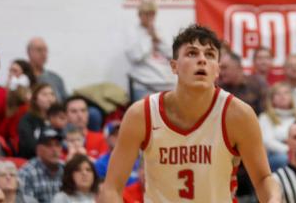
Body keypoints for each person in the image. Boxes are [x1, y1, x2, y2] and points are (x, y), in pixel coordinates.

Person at [99, 25, 280, 203]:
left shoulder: (238, 115)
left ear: (217, 69)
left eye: (209, 55)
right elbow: (111, 188)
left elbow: (263, 178)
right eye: (192, 53)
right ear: (174, 66)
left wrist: (273, 198)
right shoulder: (142, 114)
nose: (202, 60)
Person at [123, 1, 174, 100]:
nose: (150, 17)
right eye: (146, 14)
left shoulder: (161, 30)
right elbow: (135, 56)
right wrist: (148, 37)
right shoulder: (132, 32)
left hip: (167, 85)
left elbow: (173, 54)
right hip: (144, 86)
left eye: (152, 14)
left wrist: (158, 39)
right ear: (139, 15)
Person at [17, 128, 64, 203]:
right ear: (38, 150)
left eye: (57, 145)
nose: (54, 150)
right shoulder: (27, 173)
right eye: (49, 145)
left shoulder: (67, 169)